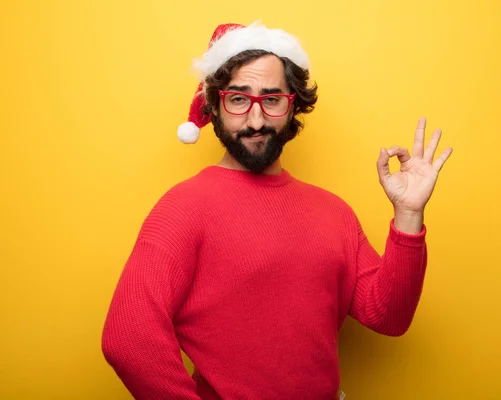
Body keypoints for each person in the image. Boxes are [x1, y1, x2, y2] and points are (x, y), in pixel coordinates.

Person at [101, 21, 452, 400]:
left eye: (271, 100)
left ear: (292, 105)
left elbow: (388, 316)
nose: (255, 120)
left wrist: (409, 215)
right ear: (215, 106)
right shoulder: (184, 208)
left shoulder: (333, 212)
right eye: (239, 99)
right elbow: (127, 337)